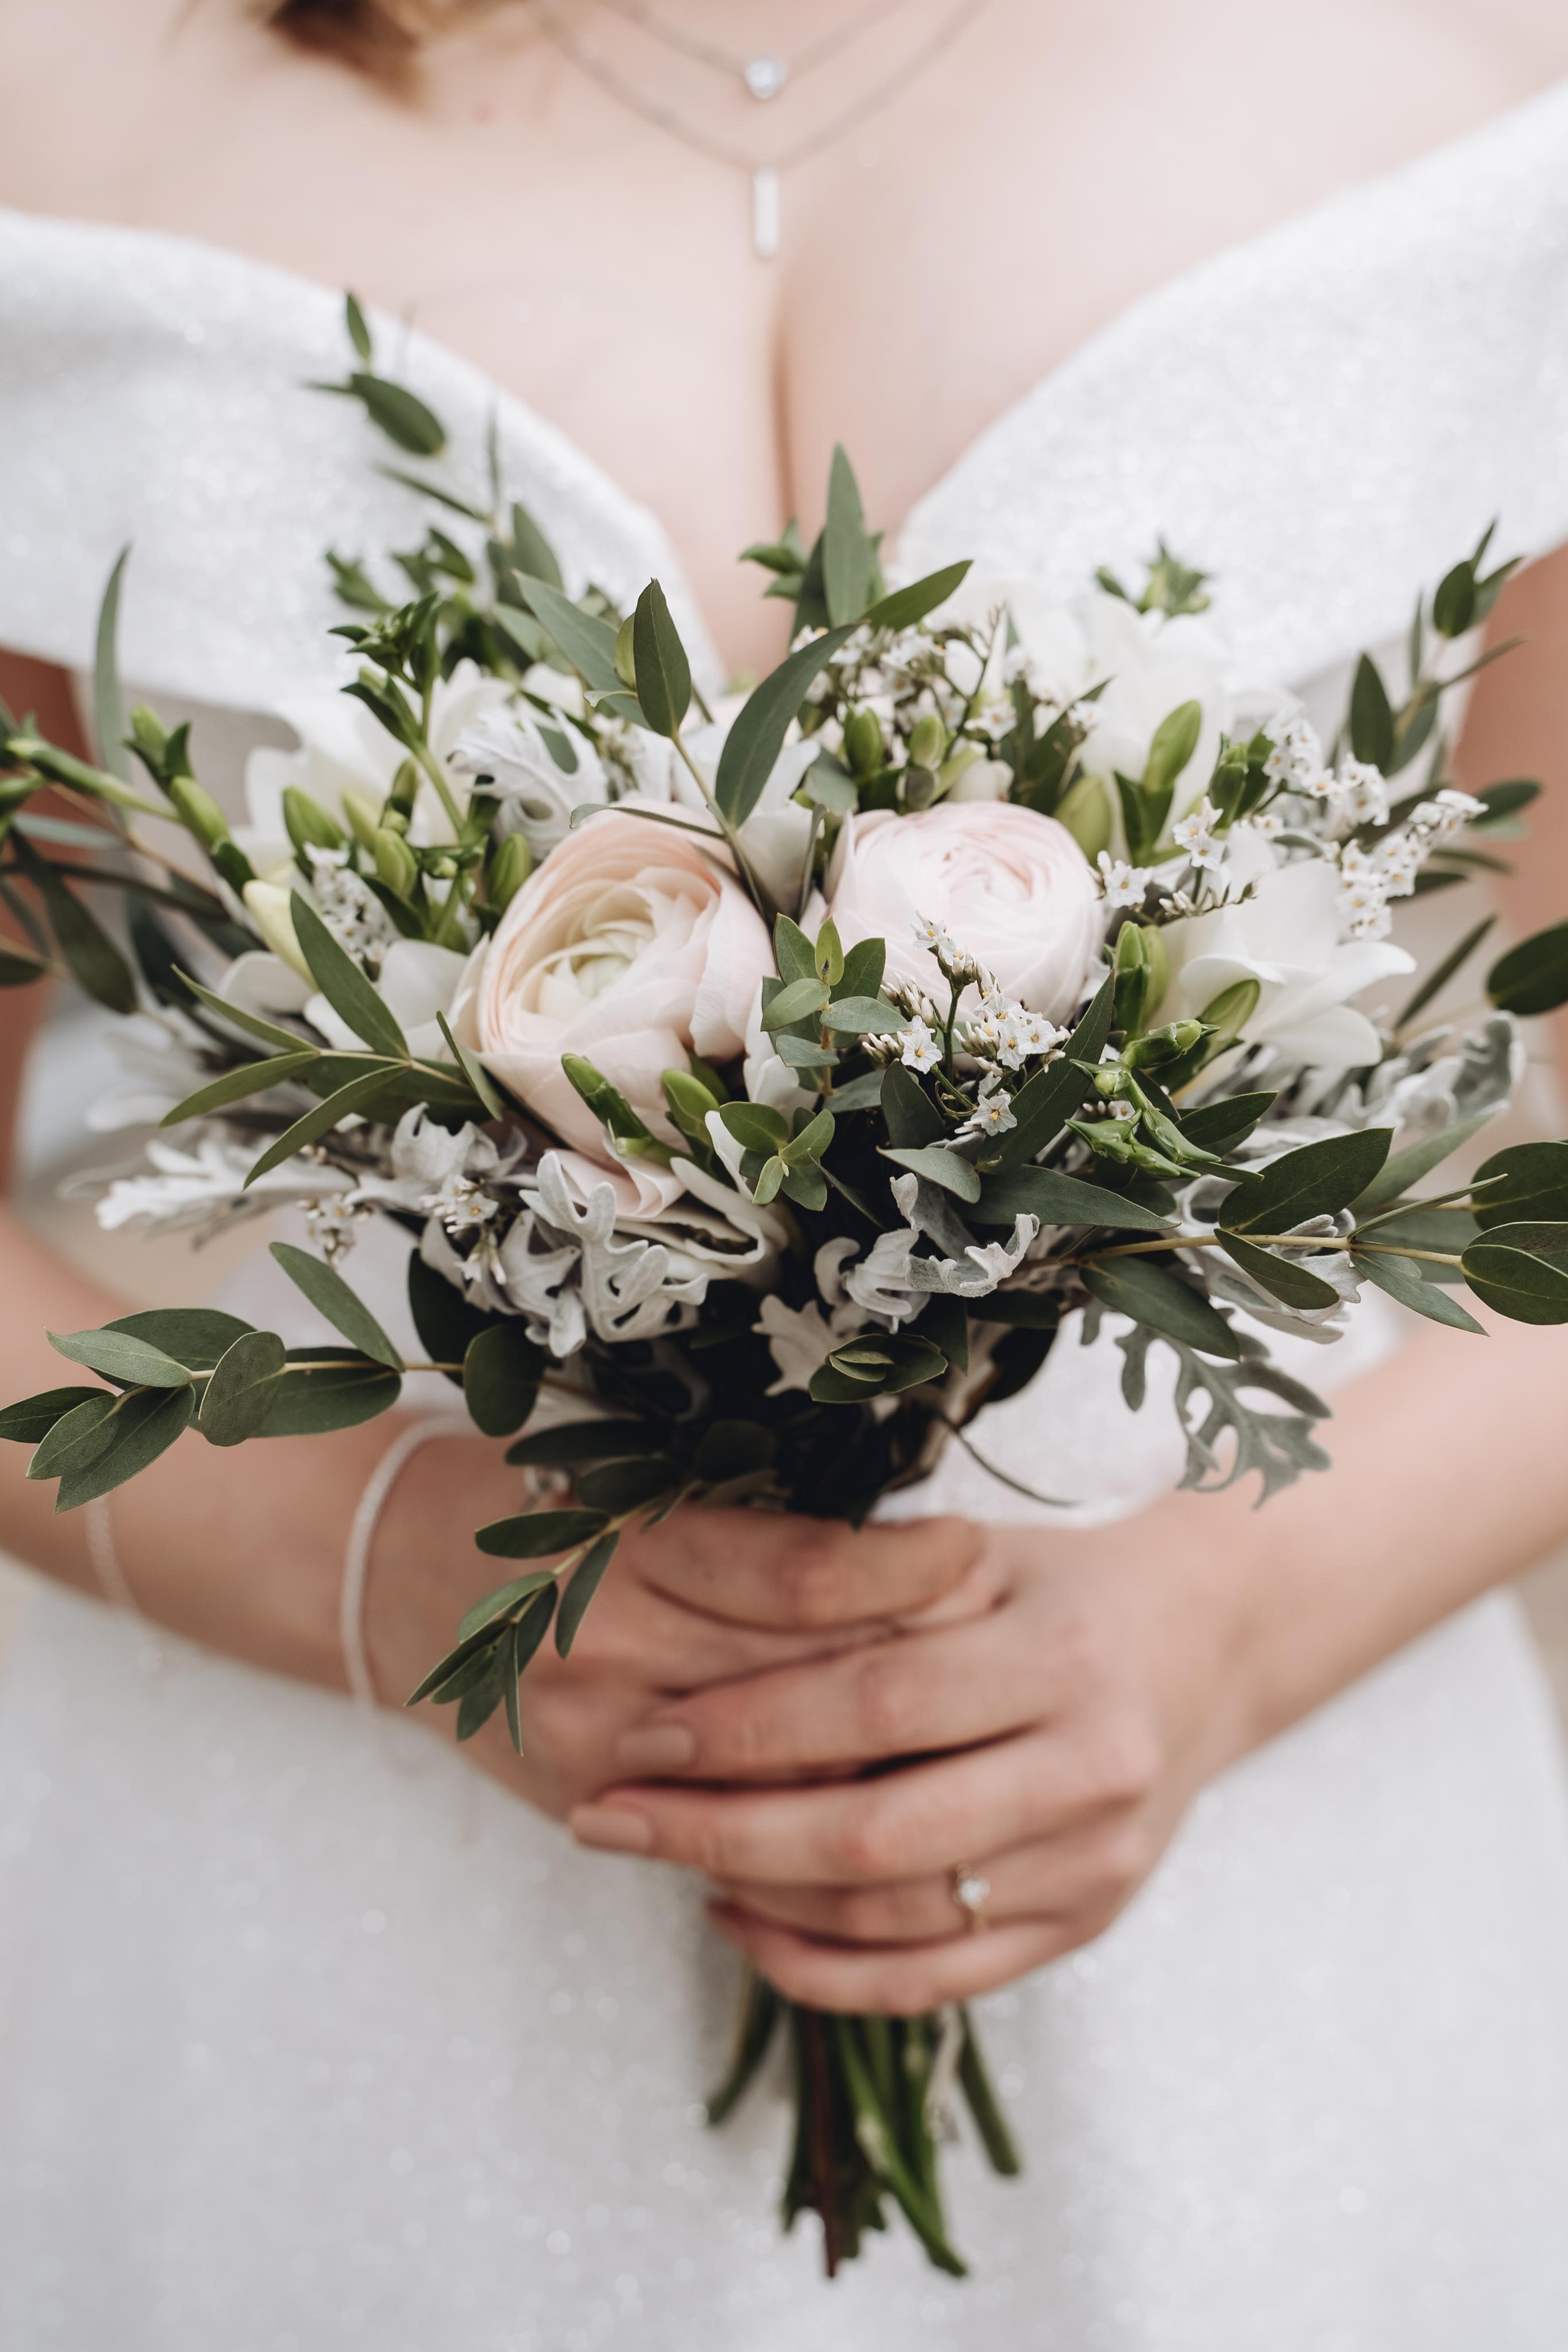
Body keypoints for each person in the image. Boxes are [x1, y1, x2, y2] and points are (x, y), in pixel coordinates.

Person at [3, 2, 1568, 2343]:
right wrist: (373, 1574)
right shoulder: (63, 100)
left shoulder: (1475, 65)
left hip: (1260, 1891)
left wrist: (1234, 1626)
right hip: (322, 1902)